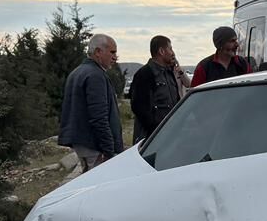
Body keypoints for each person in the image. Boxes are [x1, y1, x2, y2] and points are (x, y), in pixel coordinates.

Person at [58, 33, 124, 170]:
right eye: (112, 52)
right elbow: (99, 117)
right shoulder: (95, 76)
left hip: (83, 143)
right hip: (94, 146)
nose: (115, 57)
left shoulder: (77, 72)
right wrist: (109, 151)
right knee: (101, 185)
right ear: (98, 52)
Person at [129, 34, 188, 141]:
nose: (173, 53)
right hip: (152, 137)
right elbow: (140, 108)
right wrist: (156, 129)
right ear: (161, 51)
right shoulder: (144, 74)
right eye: (170, 49)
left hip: (171, 133)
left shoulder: (169, 73)